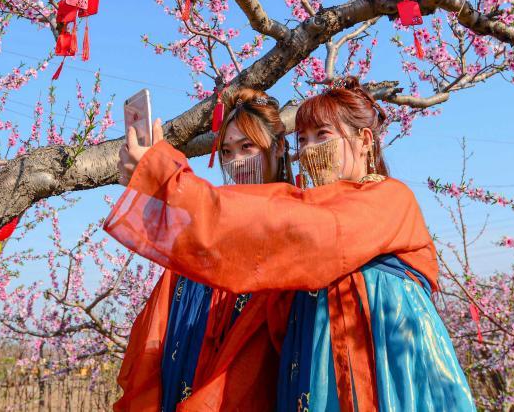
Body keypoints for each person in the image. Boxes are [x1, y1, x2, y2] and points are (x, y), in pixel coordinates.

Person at [108, 78, 475, 411]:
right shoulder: (304, 213)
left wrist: (166, 181)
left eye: (323, 135)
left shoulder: (388, 198)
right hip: (311, 374)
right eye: (304, 139)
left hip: (387, 370)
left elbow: (307, 229)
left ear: (364, 140)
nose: (311, 149)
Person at [113, 88, 293, 411]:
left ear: (279, 147)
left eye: (246, 147)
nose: (235, 162)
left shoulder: (294, 223)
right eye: (226, 151)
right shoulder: (212, 221)